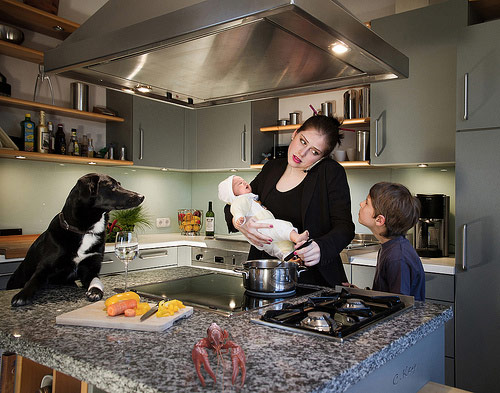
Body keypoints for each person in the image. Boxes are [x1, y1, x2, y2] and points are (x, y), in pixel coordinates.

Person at [224, 115, 355, 287]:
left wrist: (321, 248)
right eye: (302, 141)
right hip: (264, 277)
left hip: (312, 279)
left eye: (314, 152)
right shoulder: (272, 168)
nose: (302, 153)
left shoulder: (330, 173)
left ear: (322, 157)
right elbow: (234, 203)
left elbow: (345, 227)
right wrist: (242, 224)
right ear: (295, 133)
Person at [358, 182, 425, 300]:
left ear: (379, 220)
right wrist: (361, 294)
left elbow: (398, 304)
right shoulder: (389, 247)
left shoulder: (397, 257)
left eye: (367, 202)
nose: (361, 204)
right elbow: (386, 295)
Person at [218, 174, 309, 260]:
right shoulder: (242, 199)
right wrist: (238, 218)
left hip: (262, 236)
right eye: (240, 183)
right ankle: (296, 237)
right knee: (281, 226)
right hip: (260, 227)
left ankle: (289, 257)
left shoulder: (252, 198)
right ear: (233, 194)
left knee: (279, 246)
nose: (245, 183)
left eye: (244, 181)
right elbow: (236, 208)